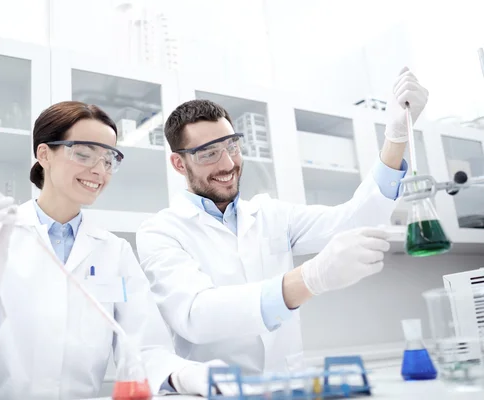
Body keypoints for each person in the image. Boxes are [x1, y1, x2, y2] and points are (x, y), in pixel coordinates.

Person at [136, 68, 428, 373]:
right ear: (179, 163)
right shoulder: (161, 232)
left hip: (285, 385)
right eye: (208, 153)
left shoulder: (270, 215)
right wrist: (308, 278)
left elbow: (355, 220)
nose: (227, 163)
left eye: (231, 146)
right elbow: (196, 315)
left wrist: (395, 137)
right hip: (214, 392)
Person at [0, 101, 220, 399]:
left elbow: (144, 347)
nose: (99, 170)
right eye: (83, 154)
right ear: (44, 154)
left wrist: (183, 374)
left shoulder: (115, 252)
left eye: (108, 160)